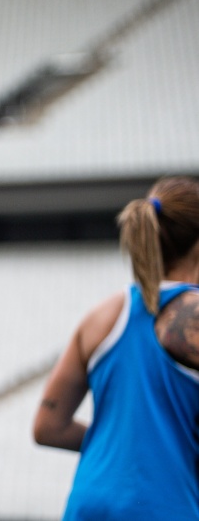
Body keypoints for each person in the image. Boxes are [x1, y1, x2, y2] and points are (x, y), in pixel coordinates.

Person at [33, 176, 199, 520]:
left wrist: (122, 445)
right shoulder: (192, 315)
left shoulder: (103, 316)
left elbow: (49, 426)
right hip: (162, 507)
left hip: (88, 504)